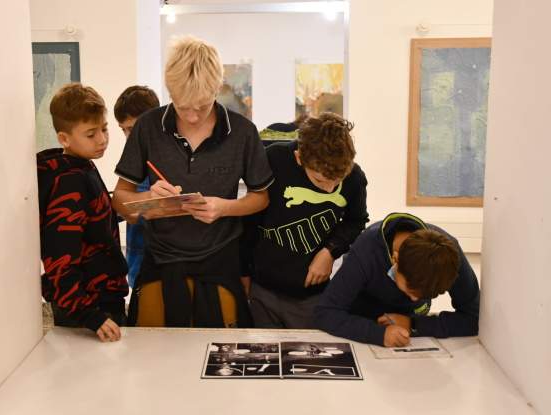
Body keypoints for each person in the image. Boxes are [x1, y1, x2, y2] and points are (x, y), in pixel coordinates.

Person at [112, 36, 273, 328]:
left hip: (220, 263)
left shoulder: (242, 132)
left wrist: (224, 208)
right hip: (159, 262)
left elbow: (261, 198)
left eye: (202, 106)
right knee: (152, 350)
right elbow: (120, 199)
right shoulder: (148, 127)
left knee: (220, 350)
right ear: (169, 91)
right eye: (182, 106)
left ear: (217, 89)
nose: (192, 116)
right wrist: (148, 201)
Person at [243, 112, 368, 329]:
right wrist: (243, 273)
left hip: (311, 294)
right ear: (299, 158)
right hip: (262, 288)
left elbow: (356, 221)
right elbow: (248, 223)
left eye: (338, 181)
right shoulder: (274, 159)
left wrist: (330, 251)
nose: (329, 189)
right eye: (319, 180)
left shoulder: (355, 177)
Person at [37, 83, 129, 342]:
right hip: (88, 309)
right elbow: (60, 256)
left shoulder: (82, 166)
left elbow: (90, 224)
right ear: (64, 138)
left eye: (104, 129)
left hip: (101, 299)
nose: (102, 139)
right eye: (90, 134)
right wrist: (90, 315)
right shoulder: (69, 181)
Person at [314, 212, 480, 347]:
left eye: (426, 295)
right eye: (410, 289)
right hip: (363, 322)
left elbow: (475, 319)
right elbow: (326, 312)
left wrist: (414, 324)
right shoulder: (367, 251)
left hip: (409, 331)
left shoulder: (450, 256)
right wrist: (378, 334)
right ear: (395, 260)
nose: (414, 299)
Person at [113, 85, 160, 288]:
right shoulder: (132, 161)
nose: (128, 136)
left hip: (161, 268)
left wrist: (135, 205)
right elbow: (127, 209)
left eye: (133, 129)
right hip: (136, 269)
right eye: (123, 129)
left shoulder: (169, 160)